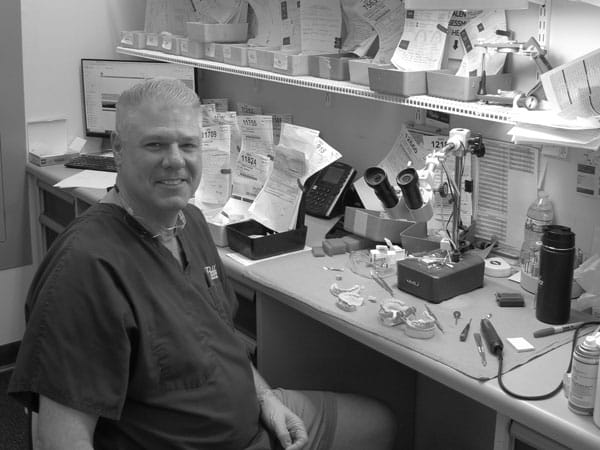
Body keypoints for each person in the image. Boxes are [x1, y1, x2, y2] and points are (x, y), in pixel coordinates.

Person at [9, 78, 396, 449]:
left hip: (253, 417)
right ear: (119, 149)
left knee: (378, 423)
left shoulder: (189, 222)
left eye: (188, 145)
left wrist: (266, 399)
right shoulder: (84, 268)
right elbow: (59, 441)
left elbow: (221, 339)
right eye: (155, 144)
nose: (175, 161)